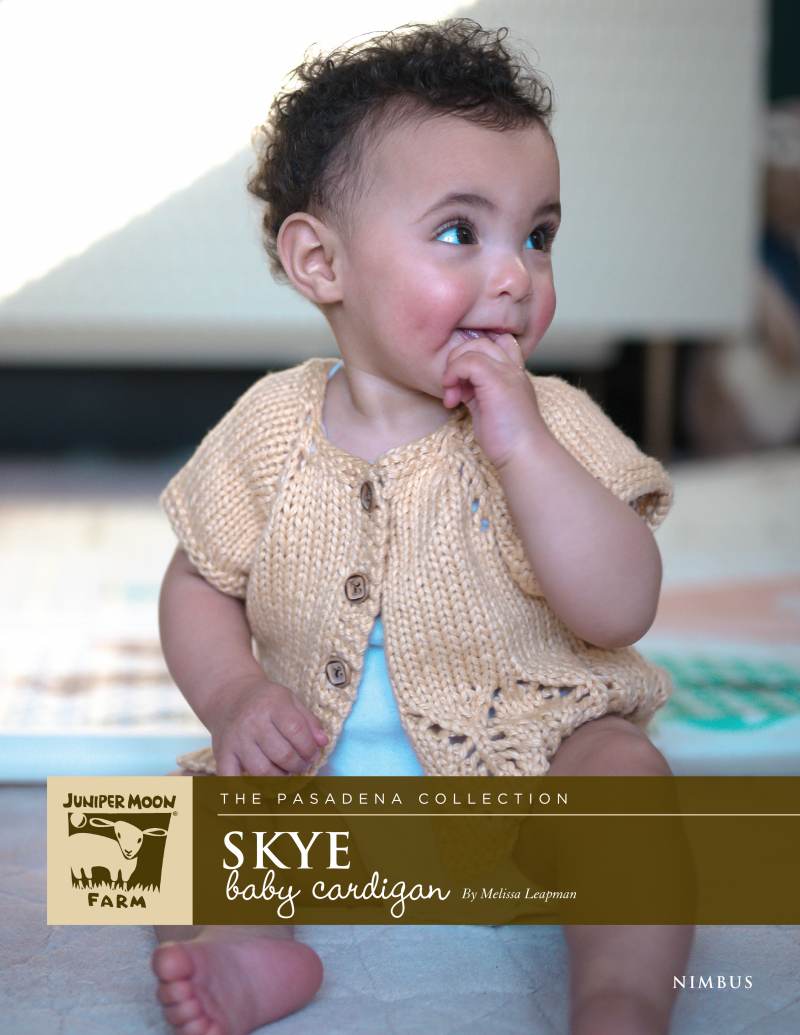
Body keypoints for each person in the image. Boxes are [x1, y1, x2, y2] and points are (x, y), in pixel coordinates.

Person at [150, 18, 694, 1035]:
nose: (514, 275)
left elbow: (621, 606)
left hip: (530, 776)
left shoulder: (555, 423)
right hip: (310, 789)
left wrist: (524, 449)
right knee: (167, 833)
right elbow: (198, 581)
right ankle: (247, 952)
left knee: (625, 780)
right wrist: (233, 698)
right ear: (321, 262)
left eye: (537, 236)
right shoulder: (271, 427)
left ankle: (619, 995)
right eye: (459, 233)